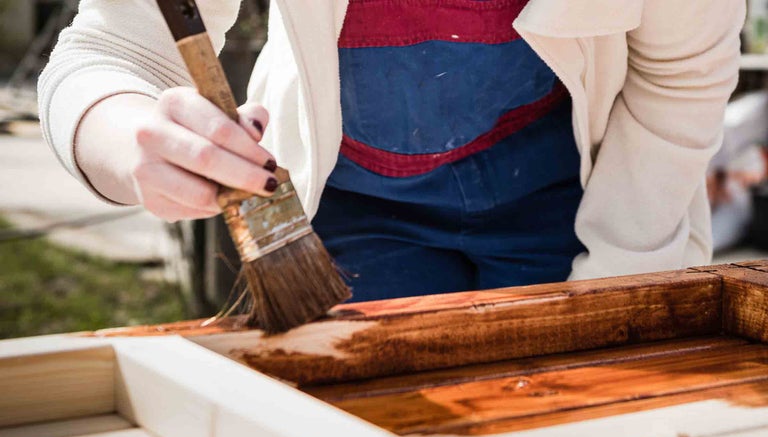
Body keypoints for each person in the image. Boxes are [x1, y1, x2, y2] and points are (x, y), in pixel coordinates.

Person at [39, 0, 745, 302]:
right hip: (355, 205)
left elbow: (679, 73)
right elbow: (112, 47)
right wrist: (127, 136)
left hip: (571, 195)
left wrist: (620, 281)